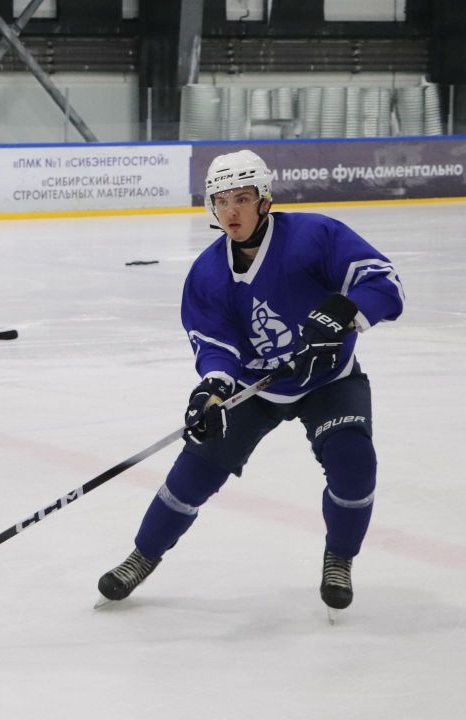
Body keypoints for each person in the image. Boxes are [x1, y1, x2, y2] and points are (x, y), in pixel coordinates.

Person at [97, 150, 405, 614]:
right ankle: (142, 556)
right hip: (255, 388)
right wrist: (213, 389)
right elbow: (215, 344)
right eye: (221, 201)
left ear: (264, 200)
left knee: (354, 462)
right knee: (194, 472)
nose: (231, 212)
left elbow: (383, 281)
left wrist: (343, 311)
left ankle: (339, 557)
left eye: (241, 199)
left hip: (328, 378)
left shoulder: (313, 236)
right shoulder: (208, 273)